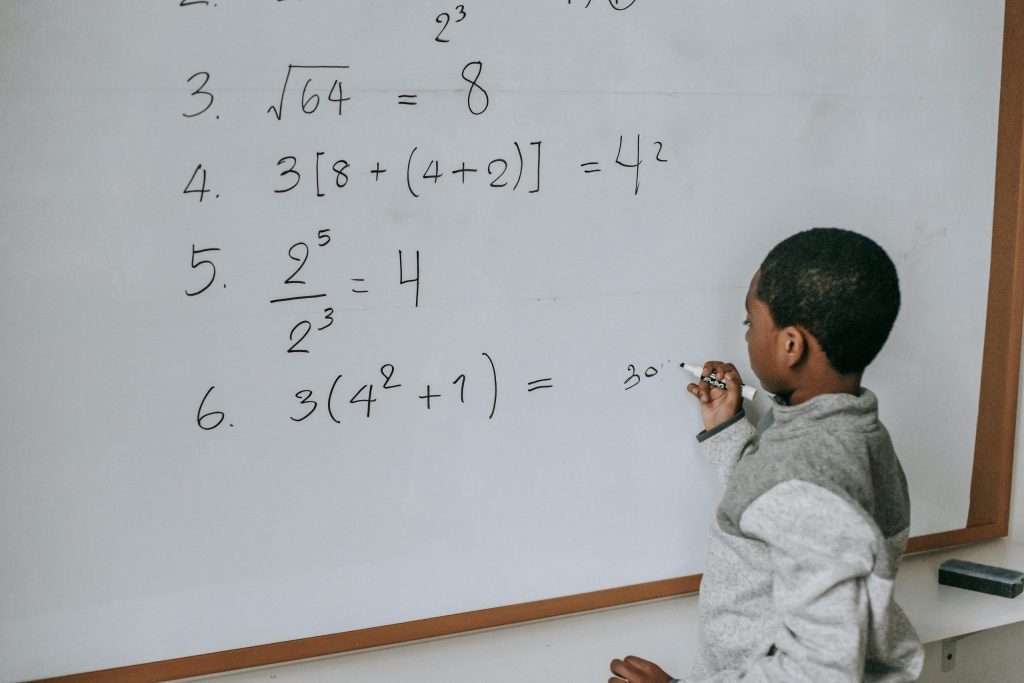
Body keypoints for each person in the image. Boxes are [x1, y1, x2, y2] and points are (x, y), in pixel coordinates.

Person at [609, 228, 924, 682]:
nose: (747, 335)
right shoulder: (852, 435)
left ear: (790, 345)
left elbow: (822, 673)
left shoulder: (807, 479)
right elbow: (778, 503)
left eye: (750, 323)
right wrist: (727, 429)